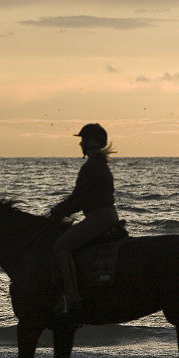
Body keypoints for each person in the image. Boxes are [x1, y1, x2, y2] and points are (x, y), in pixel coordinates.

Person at [49, 123, 118, 316]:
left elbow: (79, 199)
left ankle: (72, 296)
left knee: (61, 247)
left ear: (90, 141)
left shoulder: (91, 166)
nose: (79, 144)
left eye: (82, 139)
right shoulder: (99, 163)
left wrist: (56, 211)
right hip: (106, 215)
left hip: (99, 217)